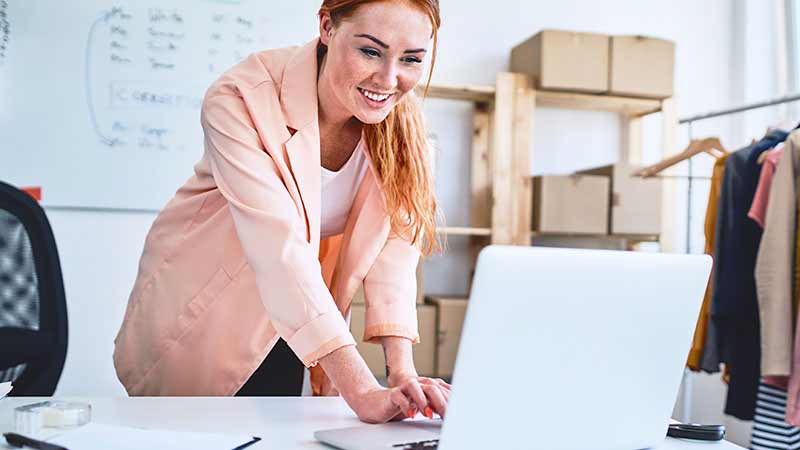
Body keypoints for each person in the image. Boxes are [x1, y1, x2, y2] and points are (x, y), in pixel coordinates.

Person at [113, 0, 450, 424]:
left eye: (412, 59)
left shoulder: (406, 129)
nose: (388, 79)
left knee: (280, 432)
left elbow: (393, 256)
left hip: (304, 315)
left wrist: (401, 372)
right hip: (210, 306)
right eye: (370, 51)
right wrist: (361, 389)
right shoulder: (242, 97)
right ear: (327, 26)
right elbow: (278, 248)